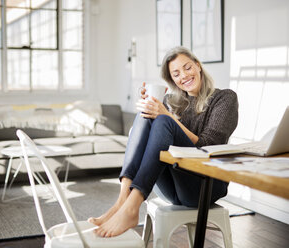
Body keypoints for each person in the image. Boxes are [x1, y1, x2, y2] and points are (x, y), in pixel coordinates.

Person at [88, 46, 239, 238]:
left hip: (204, 186)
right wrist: (149, 106)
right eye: (176, 73)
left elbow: (207, 144)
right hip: (173, 187)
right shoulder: (170, 101)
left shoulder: (225, 98)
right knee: (146, 115)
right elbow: (145, 137)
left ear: (198, 66)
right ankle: (122, 201)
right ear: (171, 79)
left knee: (163, 119)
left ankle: (132, 207)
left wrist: (167, 116)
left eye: (187, 67)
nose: (184, 76)